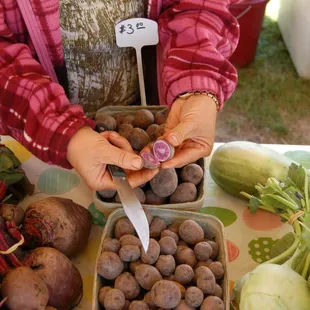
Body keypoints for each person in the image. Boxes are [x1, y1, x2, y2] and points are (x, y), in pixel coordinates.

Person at [0, 0, 239, 191]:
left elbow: (199, 6)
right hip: (39, 133)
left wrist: (196, 82)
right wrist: (62, 132)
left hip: (148, 105)